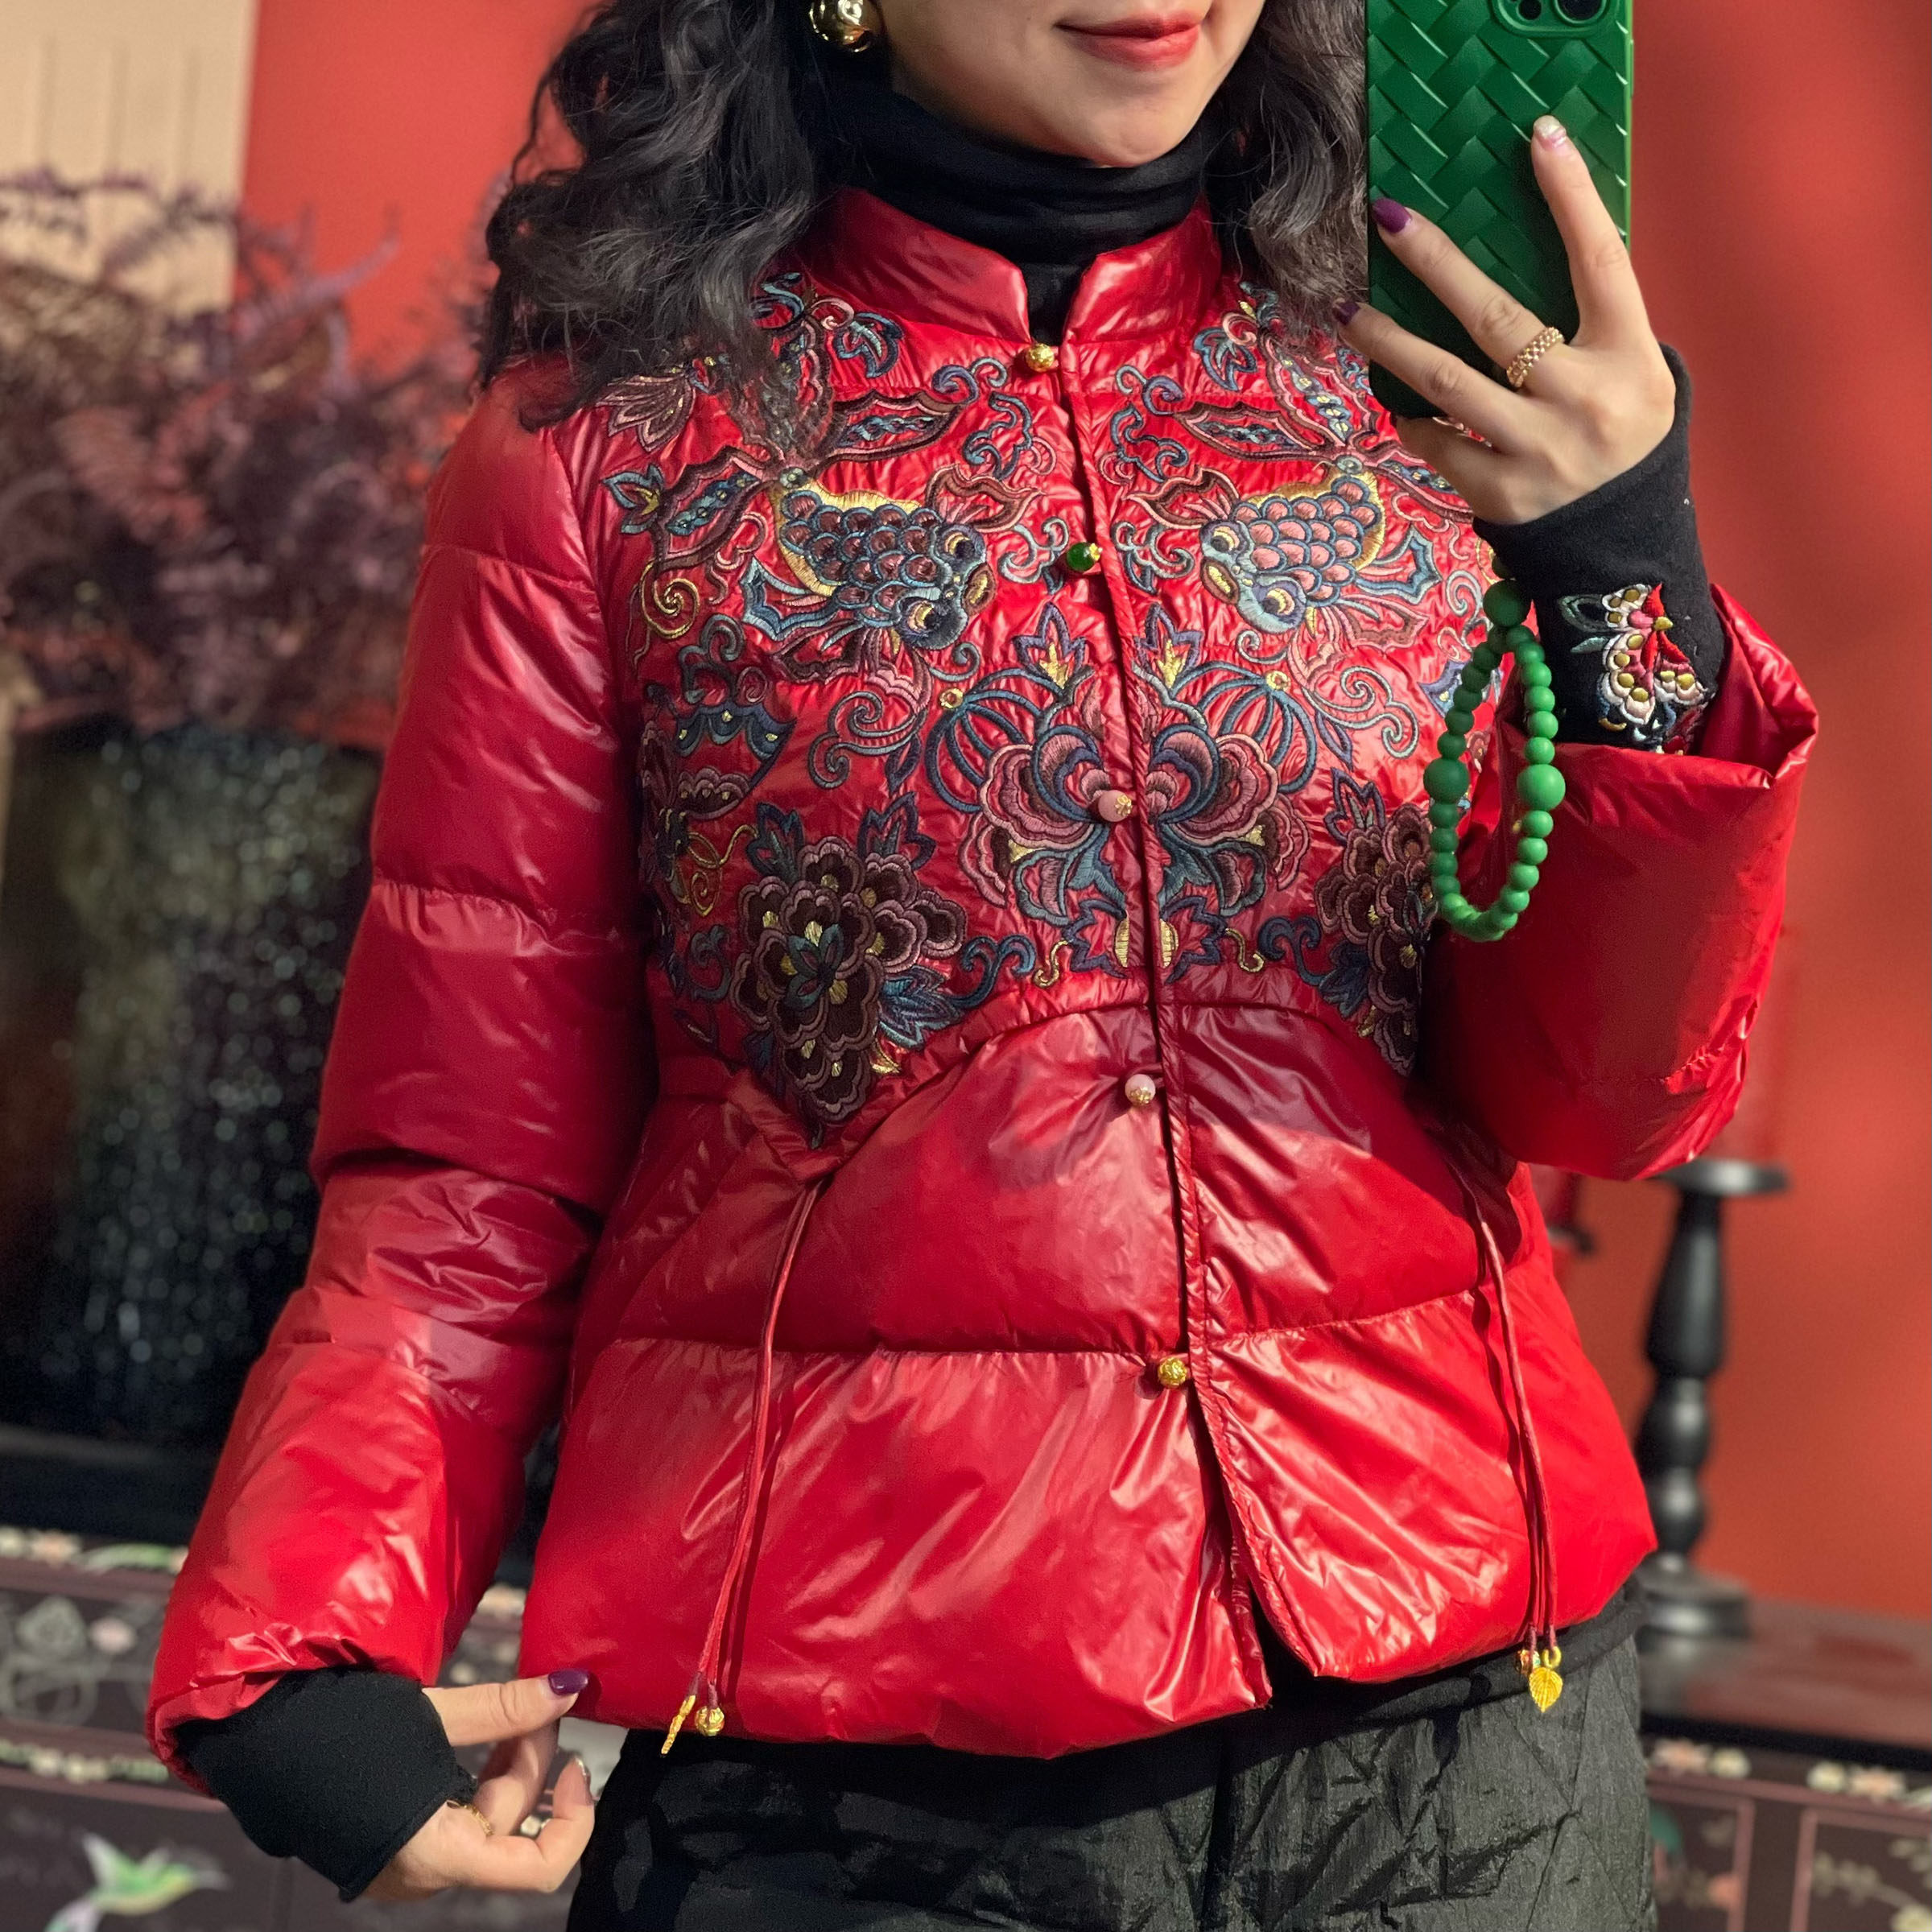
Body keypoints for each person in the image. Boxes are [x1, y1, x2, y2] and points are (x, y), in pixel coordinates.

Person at [146, 2, 1814, 1926]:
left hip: (1465, 1768)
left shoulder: (1429, 402)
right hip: (868, 1787)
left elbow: (1609, 1098)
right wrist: (307, 1641)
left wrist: (1624, 578)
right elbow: (469, 1162)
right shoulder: (603, 453)